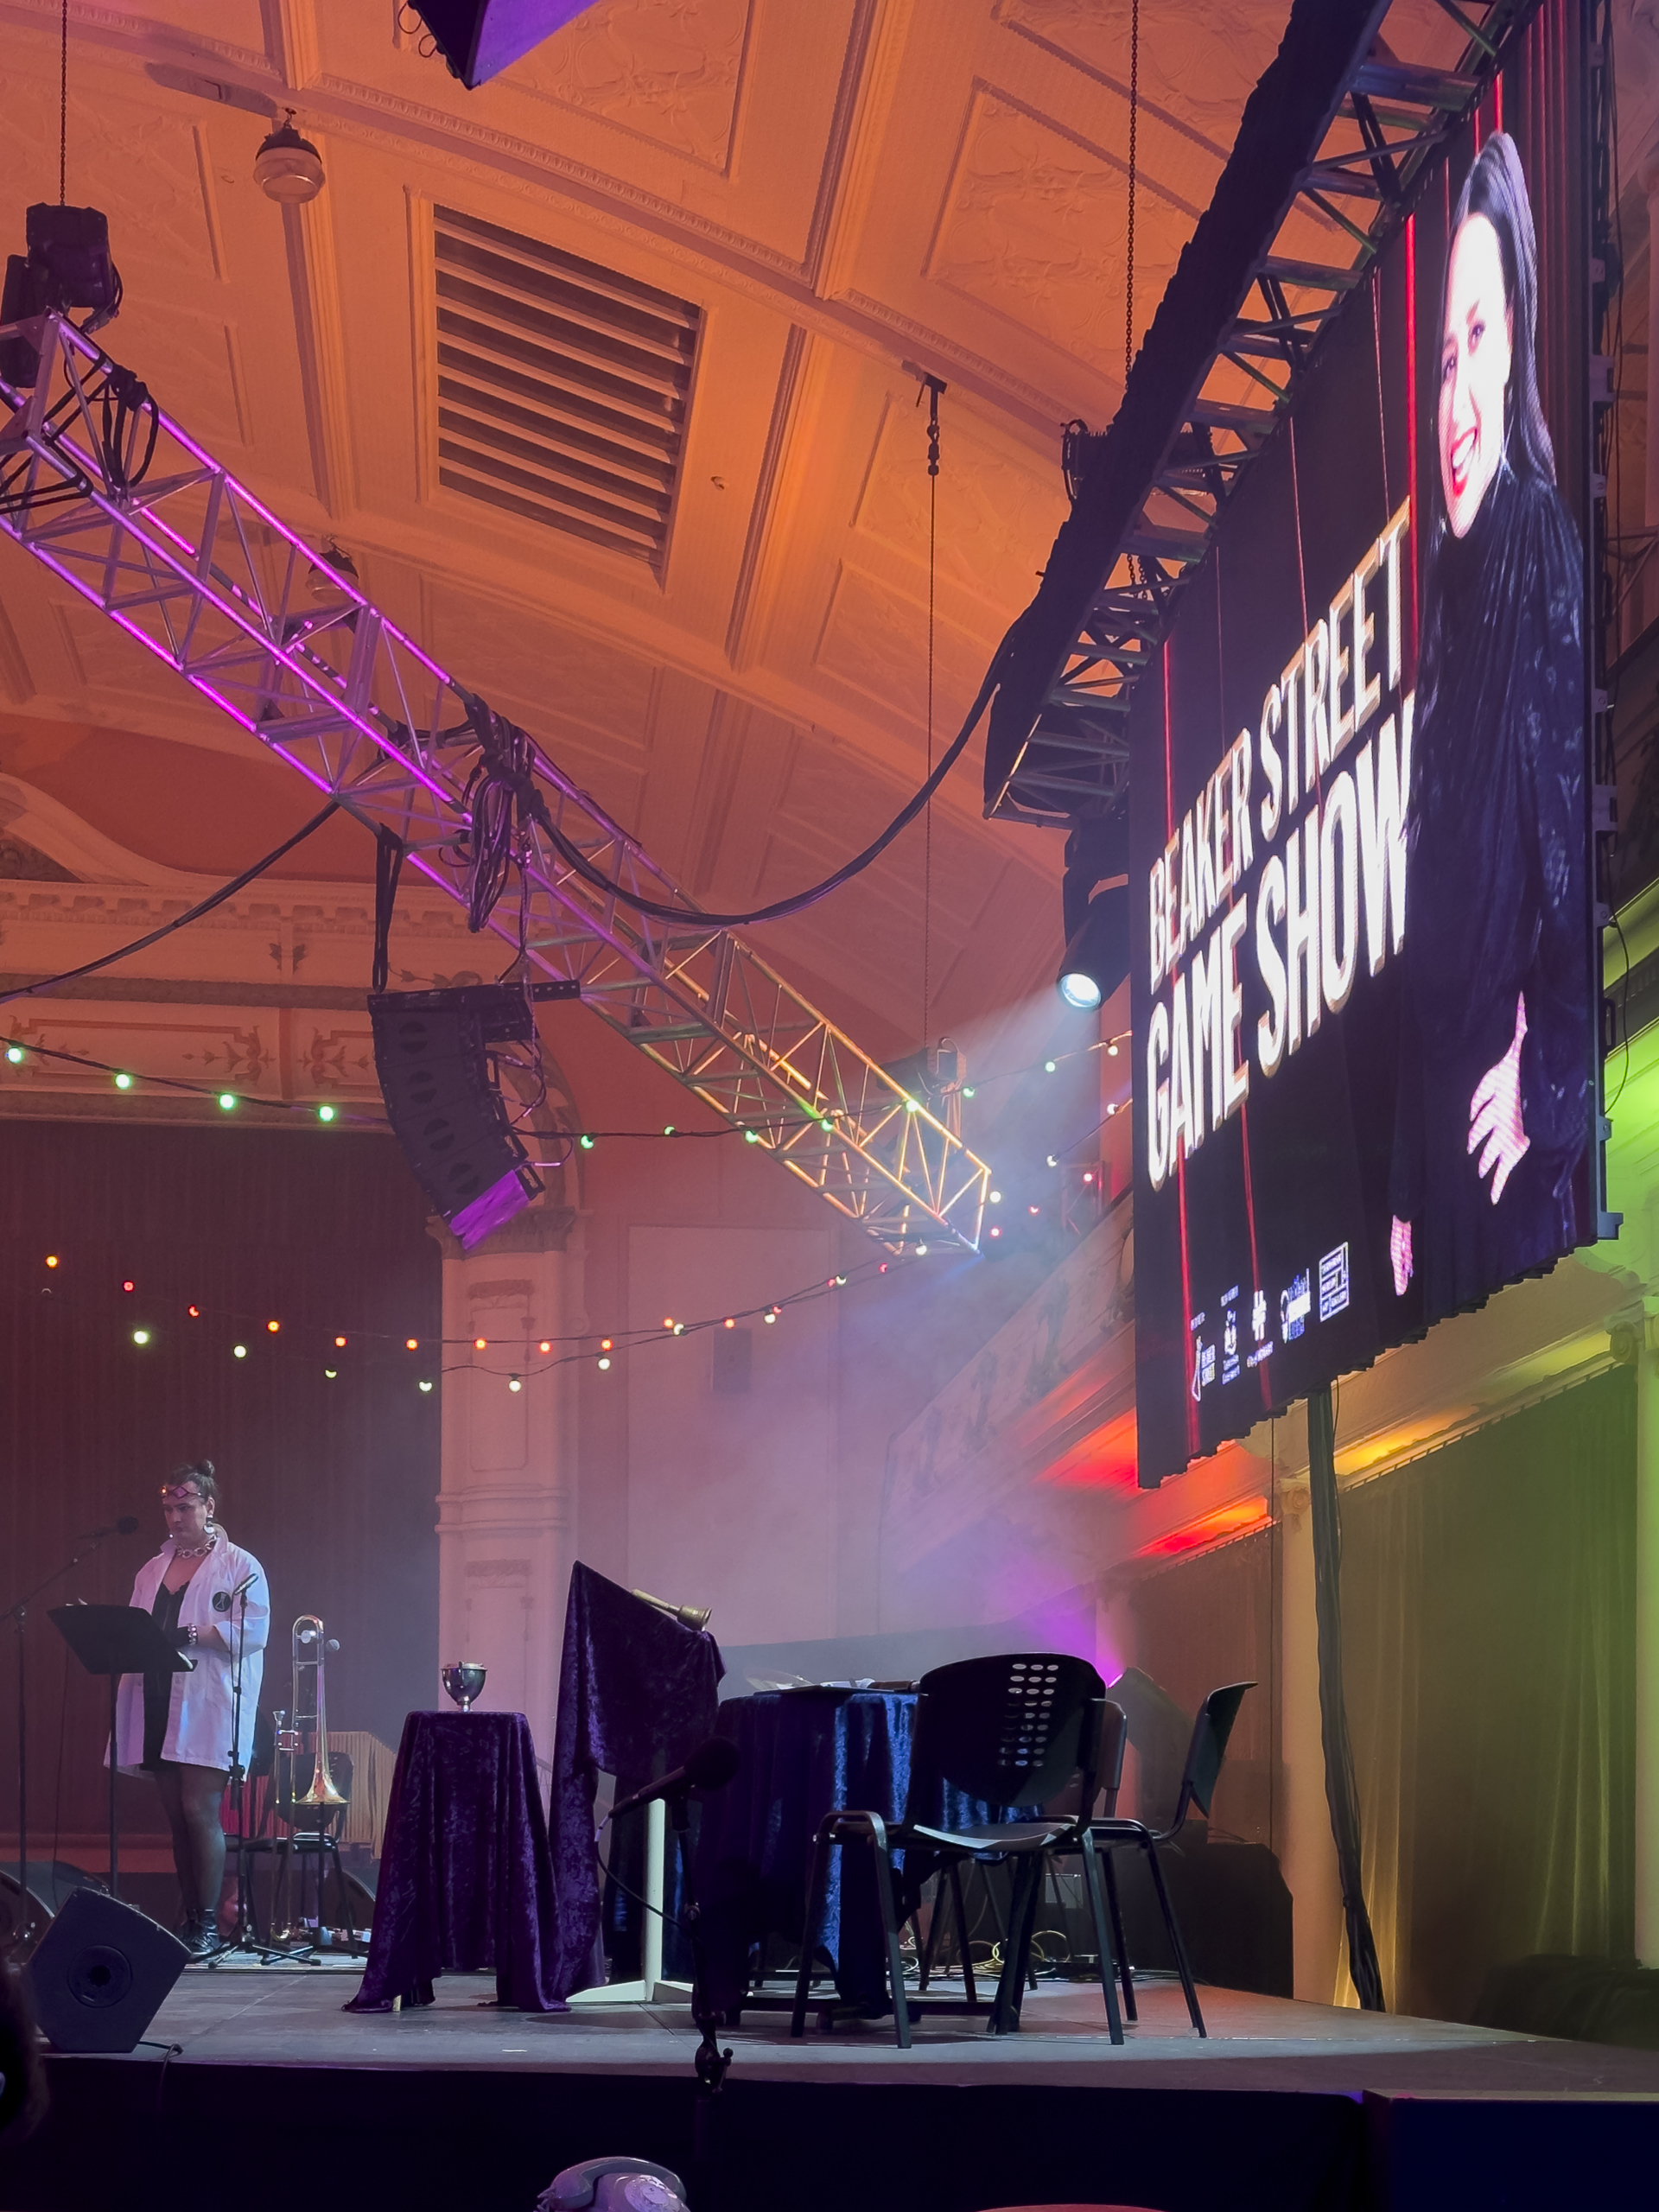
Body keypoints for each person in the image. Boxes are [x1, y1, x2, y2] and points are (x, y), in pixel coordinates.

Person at [1389, 131, 1589, 1323]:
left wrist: (1550, 1078)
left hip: (1512, 1176)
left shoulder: (1543, 541)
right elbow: (1431, 938)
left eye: (1478, 337)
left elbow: (1566, 861)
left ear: (1516, 334)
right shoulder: (1447, 605)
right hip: (1452, 1189)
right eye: (1441, 350)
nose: (1455, 396)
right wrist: (1410, 1188)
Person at [111, 1461, 269, 1956]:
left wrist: (196, 1633)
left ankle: (205, 1927)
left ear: (209, 1507)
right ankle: (190, 1920)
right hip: (155, 1696)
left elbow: (255, 1633)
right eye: (168, 1509)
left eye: (184, 1507)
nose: (175, 1517)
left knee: (199, 1809)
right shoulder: (151, 1569)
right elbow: (135, 1627)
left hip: (207, 1702)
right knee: (176, 1818)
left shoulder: (240, 1566)